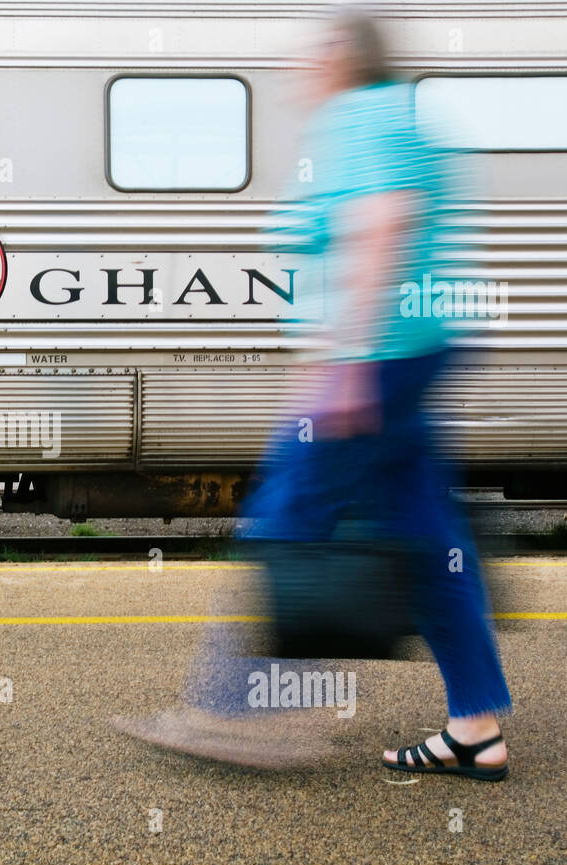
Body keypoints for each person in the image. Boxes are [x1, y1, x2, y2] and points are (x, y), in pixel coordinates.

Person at [114, 7, 513, 780]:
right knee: (432, 546)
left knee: (287, 517)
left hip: (381, 358)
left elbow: (381, 223)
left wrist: (348, 364)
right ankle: (476, 728)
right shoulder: (406, 117)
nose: (297, 71)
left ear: (341, 57)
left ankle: (233, 712)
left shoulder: (357, 116)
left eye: (308, 56)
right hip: (420, 349)